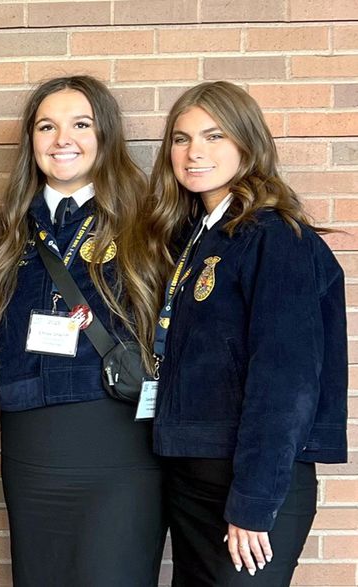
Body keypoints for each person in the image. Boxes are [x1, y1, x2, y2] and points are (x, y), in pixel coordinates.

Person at [147, 81, 347, 586]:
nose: (194, 153)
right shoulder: (200, 236)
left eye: (214, 137)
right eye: (181, 138)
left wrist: (254, 502)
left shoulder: (275, 237)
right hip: (194, 475)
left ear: (247, 144)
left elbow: (287, 381)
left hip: (248, 482)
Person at [0, 76, 167, 586]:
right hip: (31, 447)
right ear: (30, 140)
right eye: (47, 126)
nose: (63, 139)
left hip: (117, 444)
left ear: (105, 134)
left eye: (81, 124)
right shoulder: (5, 234)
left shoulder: (148, 226)